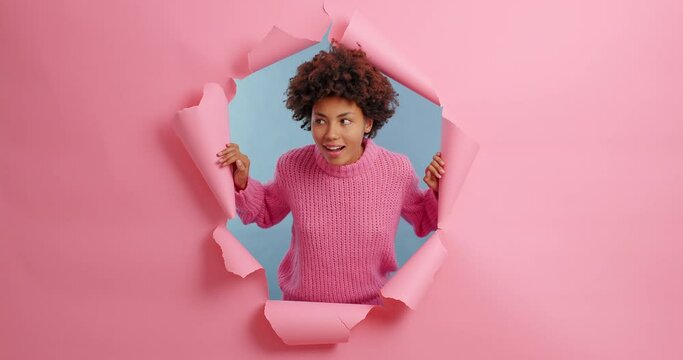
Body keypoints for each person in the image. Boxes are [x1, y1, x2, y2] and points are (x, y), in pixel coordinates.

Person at [215, 40, 446, 305]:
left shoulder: (395, 169)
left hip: (369, 314)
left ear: (367, 122)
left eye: (345, 121)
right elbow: (266, 211)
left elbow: (424, 220)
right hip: (301, 310)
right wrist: (241, 181)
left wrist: (438, 192)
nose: (331, 134)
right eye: (320, 120)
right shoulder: (292, 166)